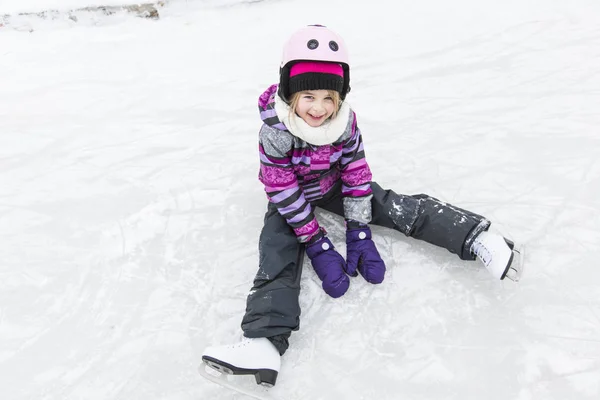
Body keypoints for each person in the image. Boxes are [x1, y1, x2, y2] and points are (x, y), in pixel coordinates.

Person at [200, 24, 523, 387]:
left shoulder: (346, 121)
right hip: (290, 196)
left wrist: (358, 228)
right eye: (308, 96)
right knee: (277, 247)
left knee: (392, 204)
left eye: (328, 97)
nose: (319, 108)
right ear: (289, 92)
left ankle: (477, 237)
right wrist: (315, 240)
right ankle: (263, 343)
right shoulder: (275, 130)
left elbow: (355, 170)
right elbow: (281, 186)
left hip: (334, 185)